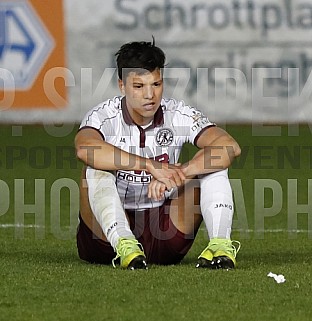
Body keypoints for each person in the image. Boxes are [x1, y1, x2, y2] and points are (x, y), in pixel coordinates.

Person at [75, 39, 241, 270]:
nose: (150, 95)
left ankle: (220, 247)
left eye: (156, 84)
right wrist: (150, 166)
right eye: (139, 86)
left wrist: (180, 172)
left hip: (164, 229)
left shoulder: (178, 113)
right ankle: (125, 245)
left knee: (213, 163)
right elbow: (85, 149)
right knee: (93, 169)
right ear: (122, 86)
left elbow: (229, 146)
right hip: (104, 238)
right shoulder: (103, 117)